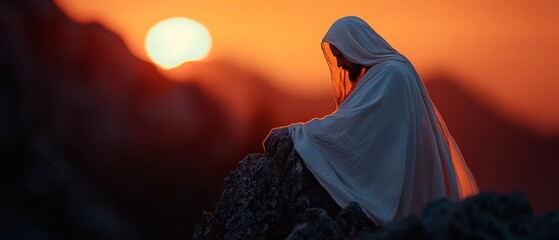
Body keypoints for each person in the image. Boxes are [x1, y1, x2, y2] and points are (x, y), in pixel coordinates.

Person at [263, 16, 479, 225]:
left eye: (341, 55)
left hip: (410, 193)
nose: (340, 64)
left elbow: (350, 128)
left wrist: (296, 132)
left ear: (356, 46)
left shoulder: (393, 74)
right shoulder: (384, 73)